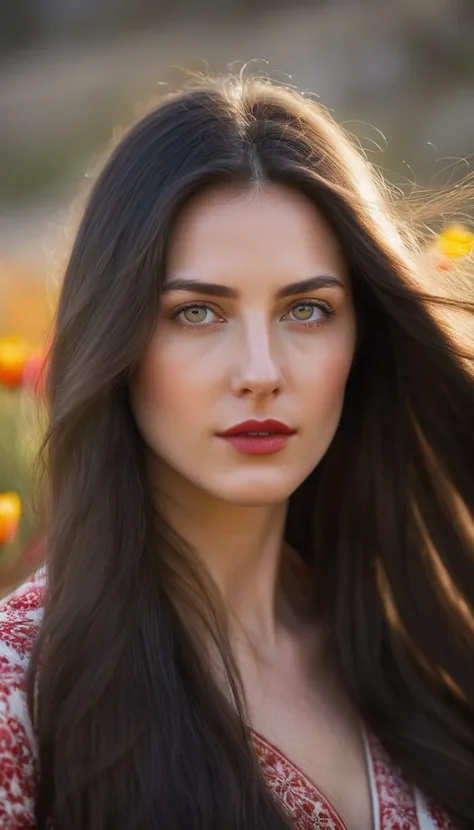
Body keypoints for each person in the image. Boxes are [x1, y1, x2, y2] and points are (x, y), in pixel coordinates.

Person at [0, 75, 473, 830]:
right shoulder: (18, 696)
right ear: (116, 339)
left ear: (365, 338)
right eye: (197, 312)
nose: (261, 371)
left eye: (308, 310)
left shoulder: (426, 640)